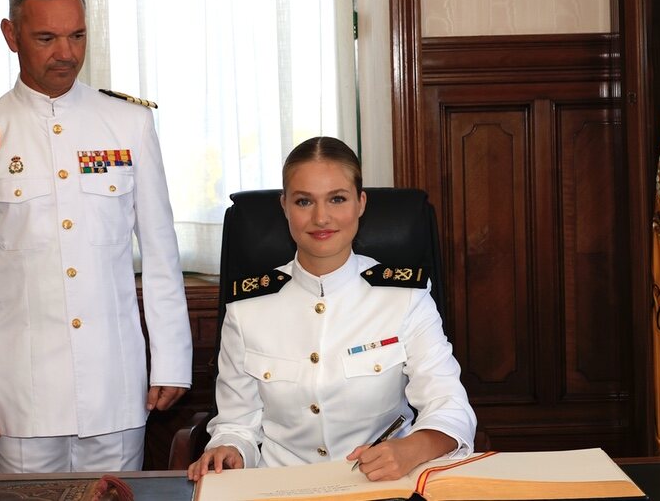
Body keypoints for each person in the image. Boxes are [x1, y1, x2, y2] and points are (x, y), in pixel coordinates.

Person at [0, 0, 192, 473]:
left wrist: (171, 361)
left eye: (77, 36)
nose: (67, 53)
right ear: (11, 36)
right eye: (46, 38)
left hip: (114, 389)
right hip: (19, 394)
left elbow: (162, 256)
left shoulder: (129, 123)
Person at [187, 137, 476, 482]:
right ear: (285, 207)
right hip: (280, 489)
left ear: (360, 203)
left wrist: (413, 448)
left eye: (337, 199)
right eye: (304, 201)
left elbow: (450, 407)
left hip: (378, 486)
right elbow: (237, 423)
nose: (321, 218)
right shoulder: (248, 307)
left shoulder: (405, 298)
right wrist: (228, 449)